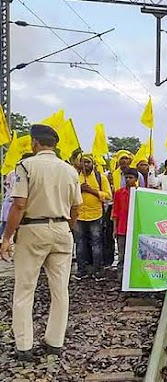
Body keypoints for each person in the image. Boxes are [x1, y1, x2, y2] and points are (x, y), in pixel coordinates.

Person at [0, 124, 83, 361]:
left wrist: (7, 237)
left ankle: (24, 345)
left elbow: (18, 204)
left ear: (35, 143)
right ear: (55, 144)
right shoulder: (69, 170)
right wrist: (68, 226)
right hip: (61, 229)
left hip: (32, 230)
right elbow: (76, 206)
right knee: (60, 290)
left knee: (25, 289)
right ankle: (55, 342)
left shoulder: (26, 166)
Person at [75, 154, 112, 281]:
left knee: (97, 244)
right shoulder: (74, 177)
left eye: (88, 162)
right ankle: (82, 270)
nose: (85, 165)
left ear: (93, 164)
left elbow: (108, 196)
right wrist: (79, 189)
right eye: (83, 162)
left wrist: (92, 191)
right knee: (80, 244)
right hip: (79, 215)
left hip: (96, 215)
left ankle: (98, 270)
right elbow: (68, 194)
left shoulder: (100, 178)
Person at [112, 168, 138, 282]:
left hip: (136, 229)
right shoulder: (118, 193)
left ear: (136, 179)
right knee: (121, 255)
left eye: (131, 178)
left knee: (134, 256)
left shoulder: (140, 193)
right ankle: (120, 279)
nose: (128, 180)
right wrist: (114, 229)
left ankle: (132, 280)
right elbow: (115, 212)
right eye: (126, 177)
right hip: (122, 229)